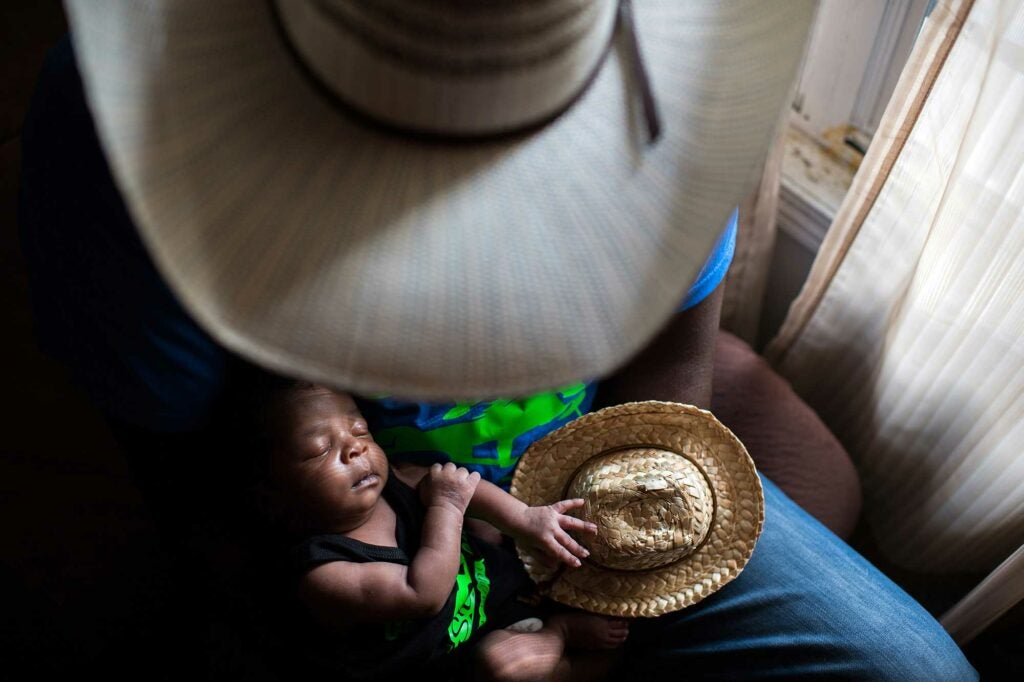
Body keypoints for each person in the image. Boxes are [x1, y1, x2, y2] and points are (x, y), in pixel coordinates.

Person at [20, 5, 978, 679]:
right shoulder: (125, 139)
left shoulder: (676, 81)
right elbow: (197, 495)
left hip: (587, 482)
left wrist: (607, 599)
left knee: (911, 668)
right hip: (380, 550)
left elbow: (673, 352)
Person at [249, 380, 627, 681]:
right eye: (320, 450)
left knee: (480, 519)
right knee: (506, 668)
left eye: (360, 431)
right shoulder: (323, 573)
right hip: (448, 662)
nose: (355, 450)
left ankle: (548, 622)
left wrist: (525, 519)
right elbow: (423, 593)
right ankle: (562, 638)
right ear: (274, 498)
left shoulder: (394, 478)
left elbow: (460, 484)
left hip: (490, 605)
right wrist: (447, 506)